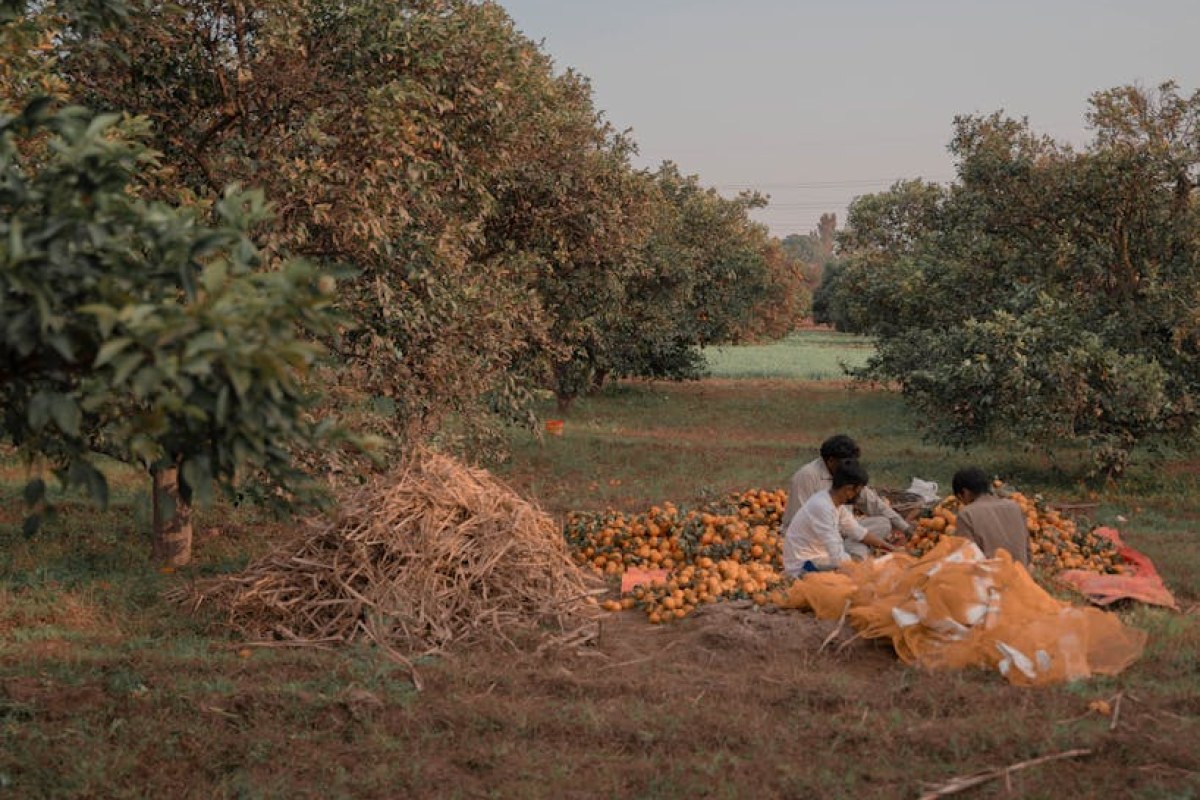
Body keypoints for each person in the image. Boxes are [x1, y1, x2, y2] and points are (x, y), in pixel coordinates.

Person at [779, 433, 913, 556]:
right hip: (813, 537)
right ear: (831, 461)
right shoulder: (807, 477)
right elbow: (800, 520)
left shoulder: (845, 479)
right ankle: (854, 553)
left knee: (882, 523)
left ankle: (853, 551)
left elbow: (873, 505)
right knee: (854, 550)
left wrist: (904, 529)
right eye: (846, 462)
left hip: (842, 531)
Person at [782, 460, 898, 577]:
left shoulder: (835, 503)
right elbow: (836, 555)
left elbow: (859, 532)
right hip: (804, 565)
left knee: (860, 552)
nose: (859, 496)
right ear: (848, 490)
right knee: (855, 573)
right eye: (858, 492)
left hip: (823, 556)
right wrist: (861, 568)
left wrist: (892, 549)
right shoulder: (822, 507)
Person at [951, 467, 1030, 566]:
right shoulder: (1015, 507)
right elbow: (1028, 553)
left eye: (960, 498)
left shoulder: (967, 514)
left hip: (991, 574)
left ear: (965, 492)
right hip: (1021, 573)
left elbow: (966, 559)